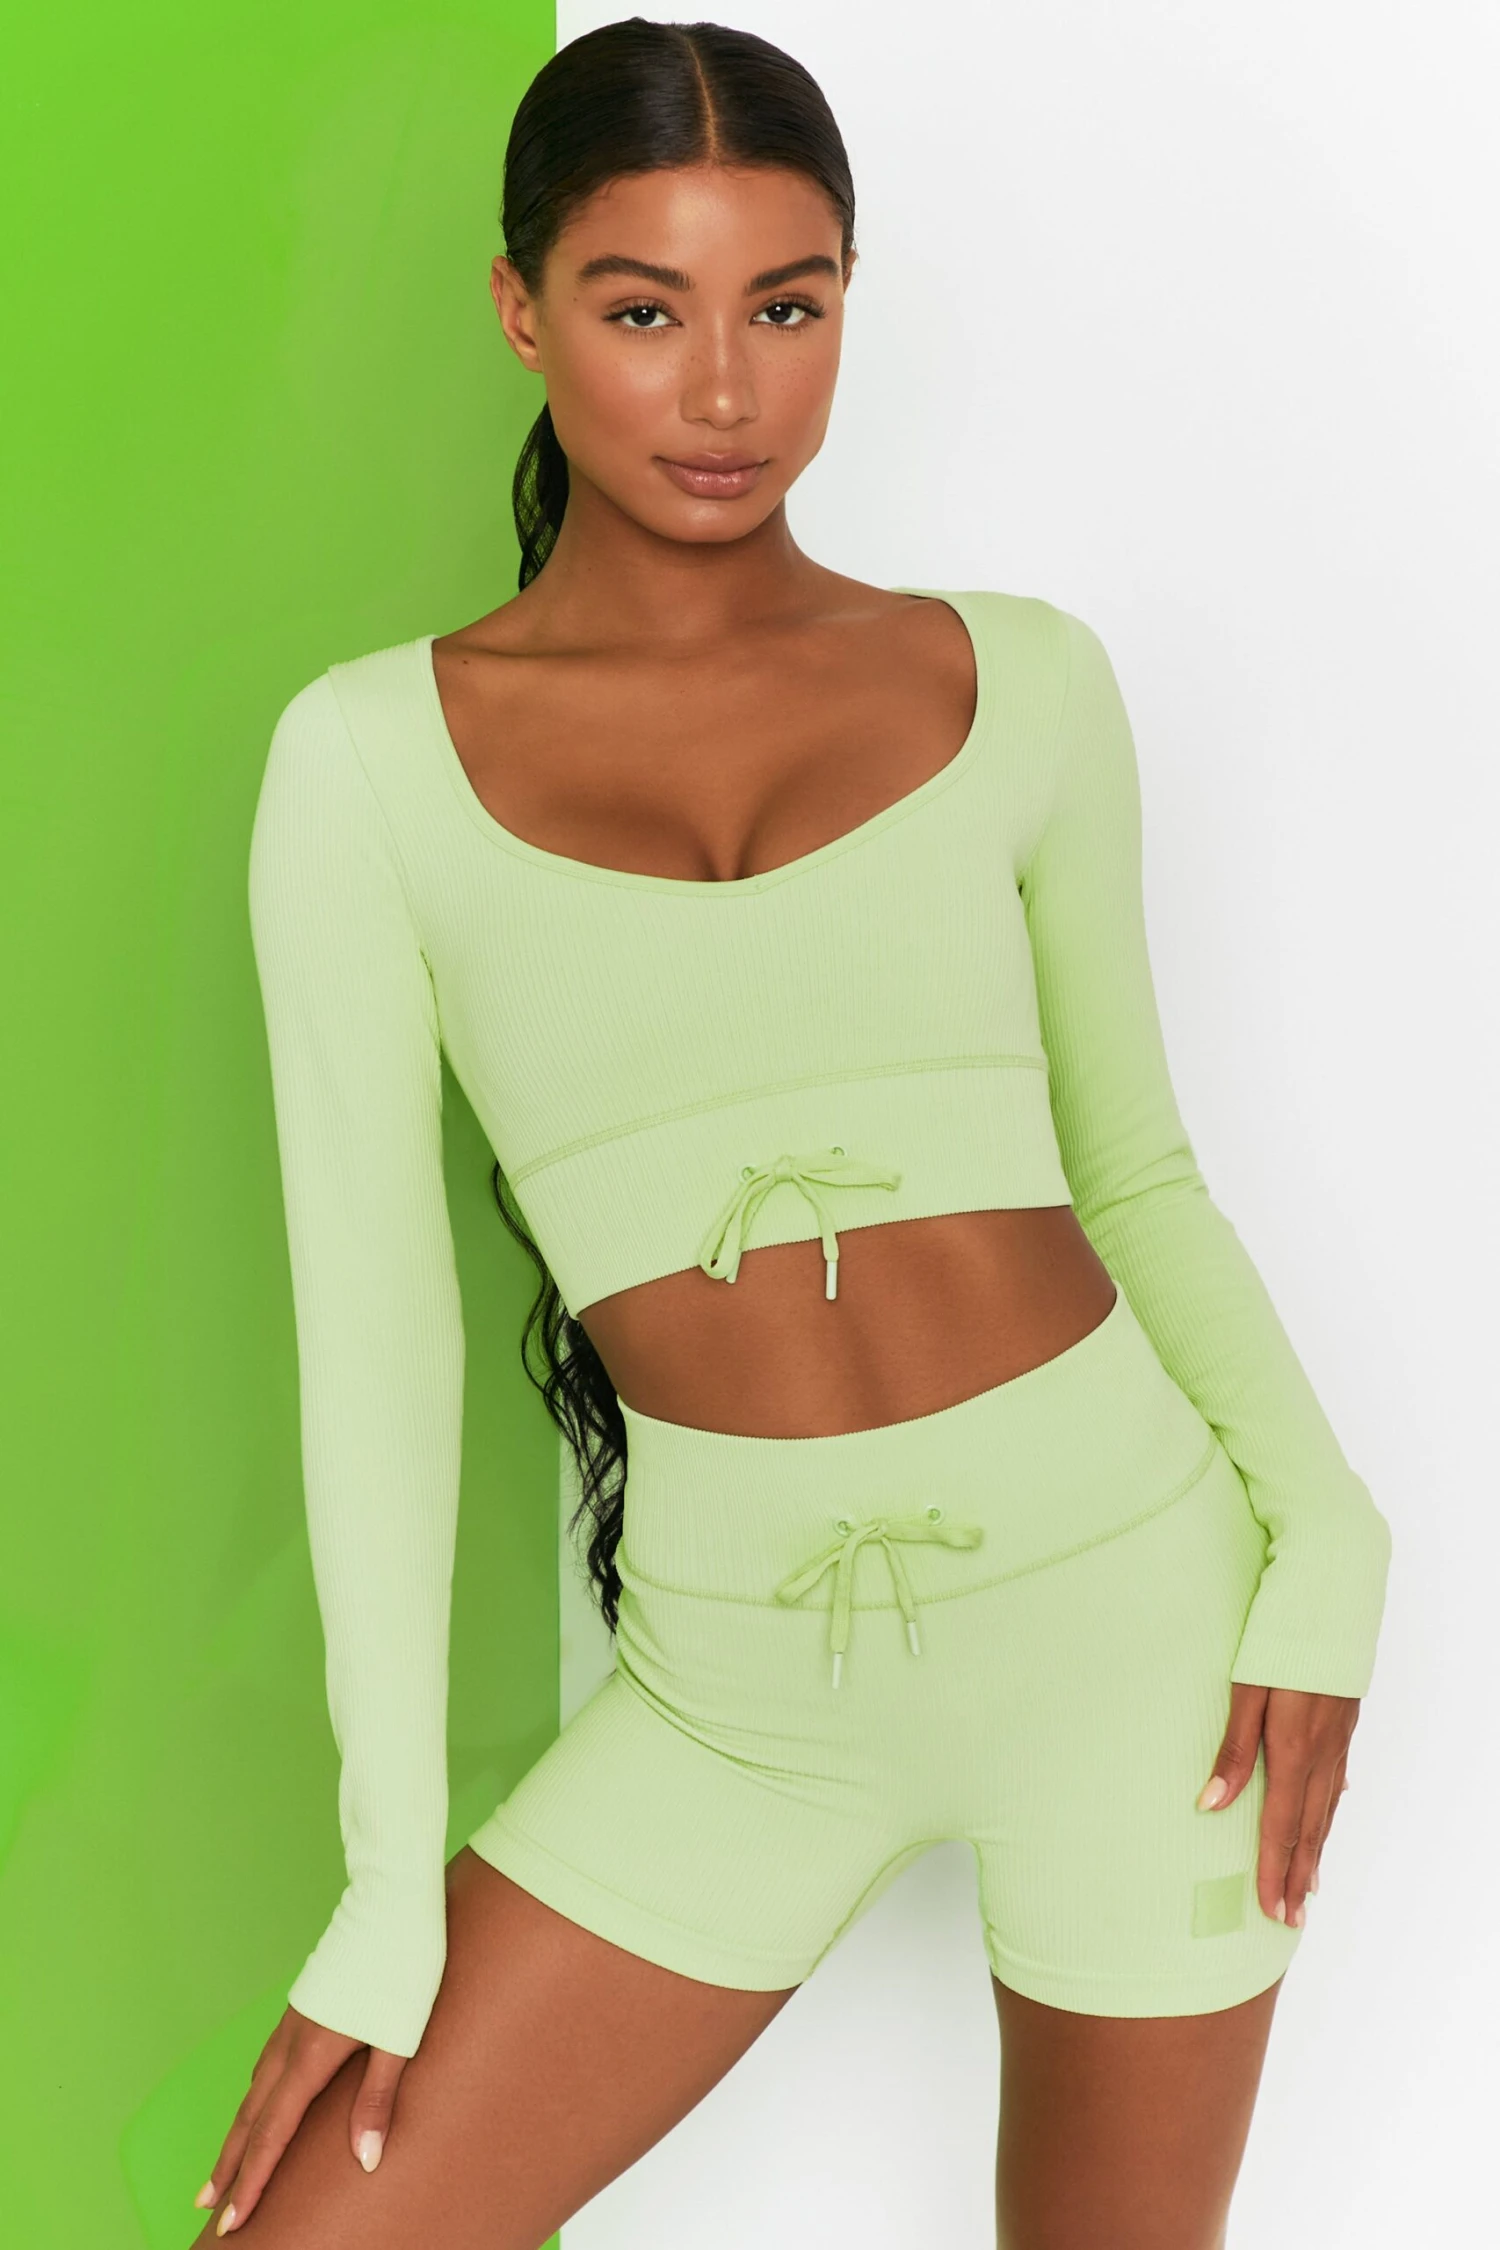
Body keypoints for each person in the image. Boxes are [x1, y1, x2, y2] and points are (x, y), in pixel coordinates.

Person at [199, 18, 1392, 2247]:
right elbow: (376, 1349)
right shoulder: (365, 770)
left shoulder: (1025, 683)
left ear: (849, 300)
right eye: (644, 310)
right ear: (522, 309)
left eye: (789, 304)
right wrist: (385, 1889)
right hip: (736, 1696)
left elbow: (1137, 1175)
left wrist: (1331, 1541)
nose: (728, 393)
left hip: (1142, 1635)